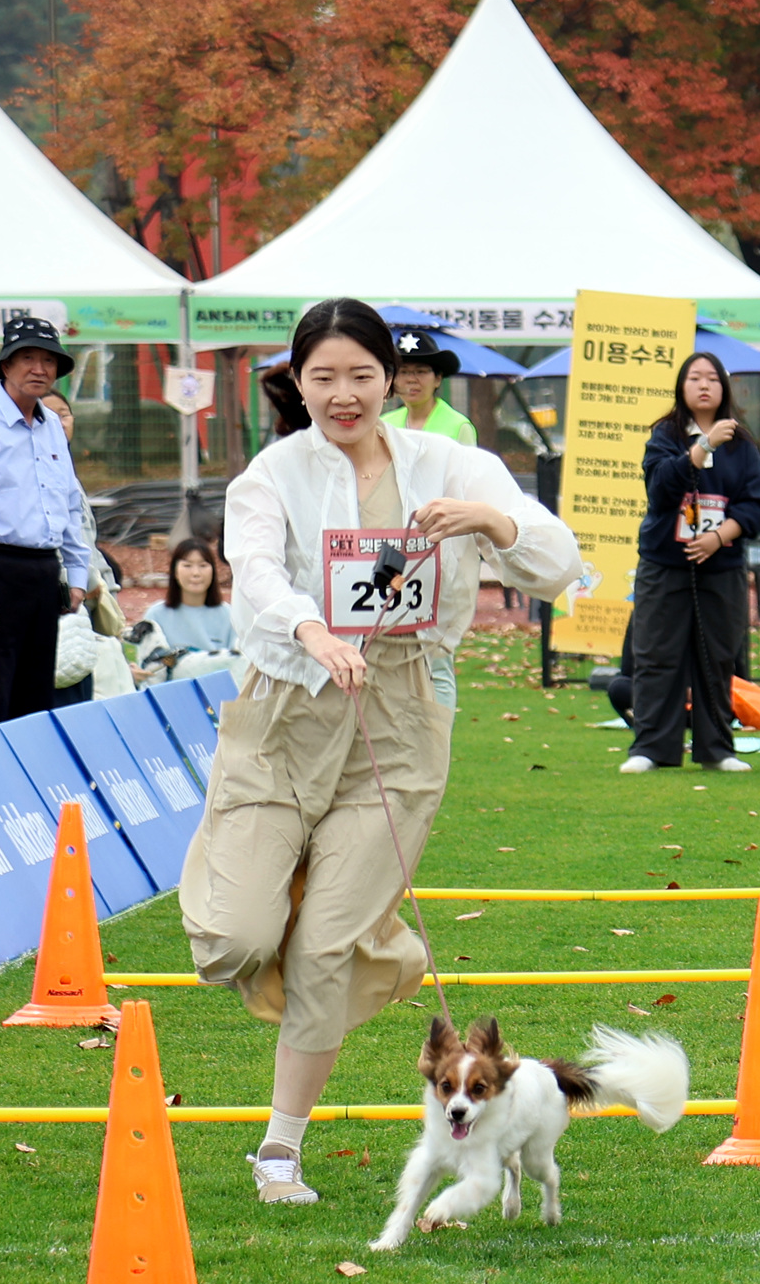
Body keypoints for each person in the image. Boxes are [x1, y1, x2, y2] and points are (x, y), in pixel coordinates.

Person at [181, 297, 579, 1207]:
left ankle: (279, 1149)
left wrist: (486, 519)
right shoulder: (270, 476)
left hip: (401, 717)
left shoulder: (452, 462)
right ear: (298, 381)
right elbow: (257, 574)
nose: (344, 394)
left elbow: (558, 562)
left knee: (323, 947)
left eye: (361, 375)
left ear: (389, 379)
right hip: (287, 708)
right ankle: (360, 933)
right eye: (323, 377)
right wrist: (314, 629)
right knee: (237, 934)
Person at [0, 315, 103, 729]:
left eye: (48, 360)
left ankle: (29, 789)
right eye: (27, 358)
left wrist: (76, 573)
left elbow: (67, 501)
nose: (39, 369)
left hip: (43, 571)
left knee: (37, 697)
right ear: (6, 365)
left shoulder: (52, 426)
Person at [620, 350, 760, 774]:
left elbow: (757, 505)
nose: (704, 385)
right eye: (694, 378)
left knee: (718, 656)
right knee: (656, 654)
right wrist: (701, 447)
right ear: (681, 388)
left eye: (712, 379)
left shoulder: (742, 445)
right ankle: (652, 749)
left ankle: (717, 749)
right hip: (664, 564)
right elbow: (661, 488)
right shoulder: (665, 435)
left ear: (724, 389)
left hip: (720, 568)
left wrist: (717, 538)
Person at [386, 330, 477, 445]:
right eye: (403, 372)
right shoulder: (385, 425)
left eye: (420, 371)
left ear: (438, 379)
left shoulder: (458, 426)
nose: (411, 380)